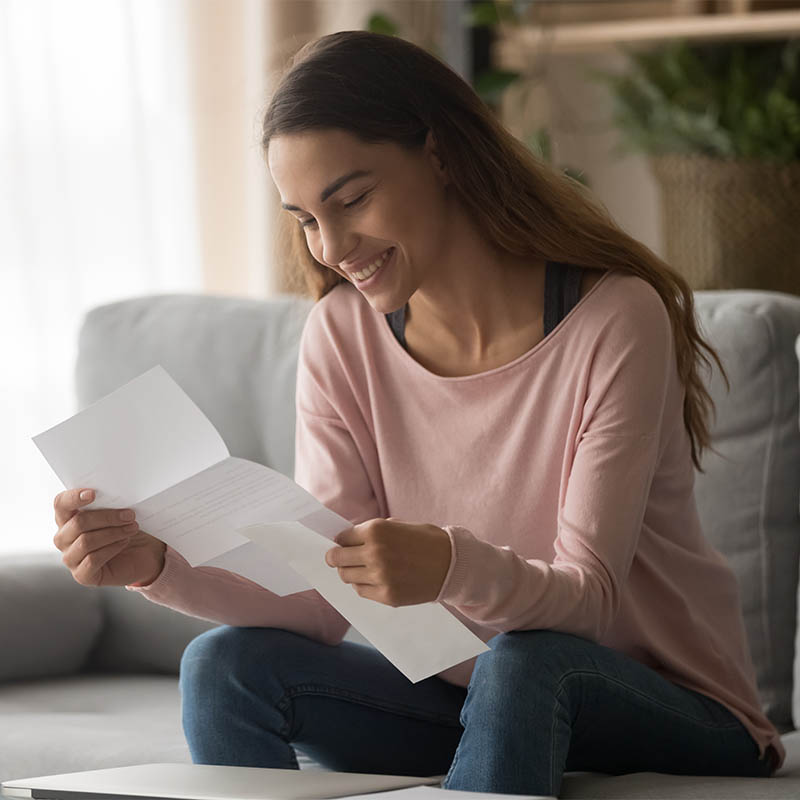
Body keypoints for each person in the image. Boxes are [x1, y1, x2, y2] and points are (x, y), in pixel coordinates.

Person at [52, 30, 783, 797]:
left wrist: (450, 564)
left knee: (528, 659)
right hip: (481, 699)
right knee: (226, 666)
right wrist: (158, 567)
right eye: (305, 218)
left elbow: (587, 601)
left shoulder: (613, 319)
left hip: (674, 707)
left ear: (439, 155)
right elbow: (325, 596)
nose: (332, 246)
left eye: (352, 199)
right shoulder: (341, 334)